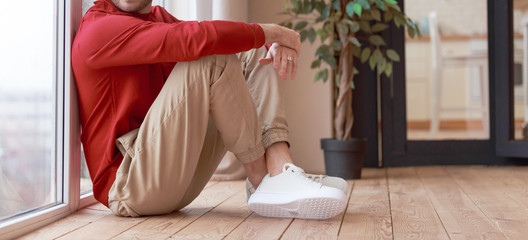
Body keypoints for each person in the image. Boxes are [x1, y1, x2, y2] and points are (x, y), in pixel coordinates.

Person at [72, 0, 348, 219]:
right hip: (129, 186)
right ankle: (263, 178)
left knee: (247, 51)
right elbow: (195, 39)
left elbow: (212, 36)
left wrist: (262, 40)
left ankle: (279, 169)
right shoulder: (98, 28)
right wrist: (274, 32)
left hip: (176, 179)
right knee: (210, 55)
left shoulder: (158, 19)